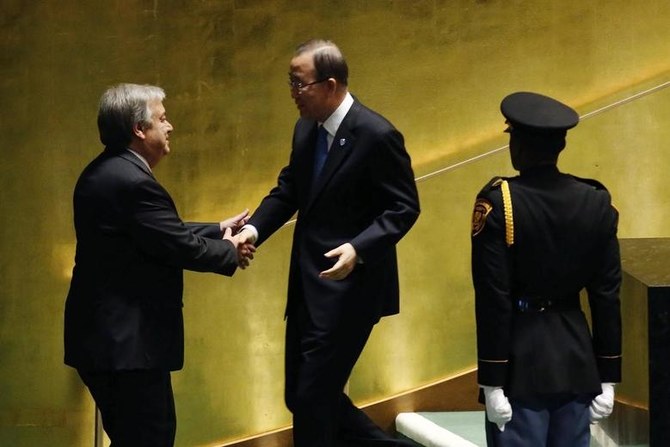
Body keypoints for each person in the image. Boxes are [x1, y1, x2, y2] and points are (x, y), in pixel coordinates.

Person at [237, 39, 420, 446]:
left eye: (299, 83)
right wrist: (253, 231)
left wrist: (359, 248)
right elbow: (289, 190)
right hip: (305, 286)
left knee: (313, 399)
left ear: (330, 84)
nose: (292, 93)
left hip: (351, 289)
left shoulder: (376, 134)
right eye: (290, 82)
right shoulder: (306, 130)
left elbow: (404, 206)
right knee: (300, 395)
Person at [64, 83, 254, 446]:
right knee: (151, 437)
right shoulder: (133, 182)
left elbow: (153, 230)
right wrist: (230, 250)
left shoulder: (108, 171)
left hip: (107, 343)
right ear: (139, 129)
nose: (170, 127)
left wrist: (217, 229)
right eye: (163, 119)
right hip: (128, 350)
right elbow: (177, 245)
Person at [470, 91, 622, 446]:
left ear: (518, 146)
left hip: (520, 362)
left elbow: (493, 297)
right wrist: (609, 375)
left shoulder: (499, 201)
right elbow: (606, 294)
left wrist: (492, 379)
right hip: (577, 358)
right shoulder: (595, 201)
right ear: (560, 146)